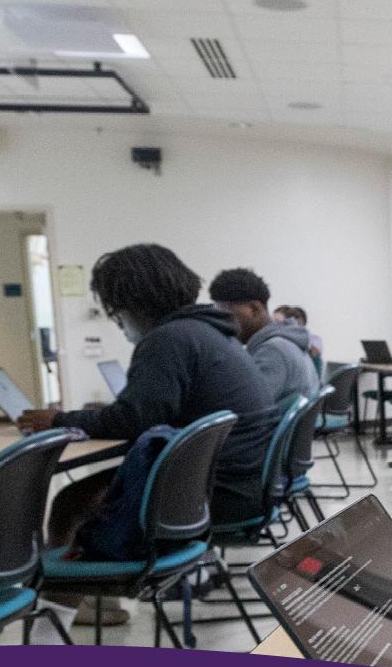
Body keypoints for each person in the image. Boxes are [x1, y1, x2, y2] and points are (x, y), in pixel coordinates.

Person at [17, 244, 280, 626]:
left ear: (130, 304)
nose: (118, 323)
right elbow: (150, 411)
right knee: (81, 496)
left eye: (116, 312)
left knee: (72, 504)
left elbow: (136, 420)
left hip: (214, 495)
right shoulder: (211, 332)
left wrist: (59, 420)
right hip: (245, 485)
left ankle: (56, 624)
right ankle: (92, 600)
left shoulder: (167, 339)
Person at [209, 268, 318, 407]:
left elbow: (247, 407)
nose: (223, 321)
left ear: (254, 309)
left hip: (270, 427)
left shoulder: (273, 350)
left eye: (227, 313)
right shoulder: (288, 340)